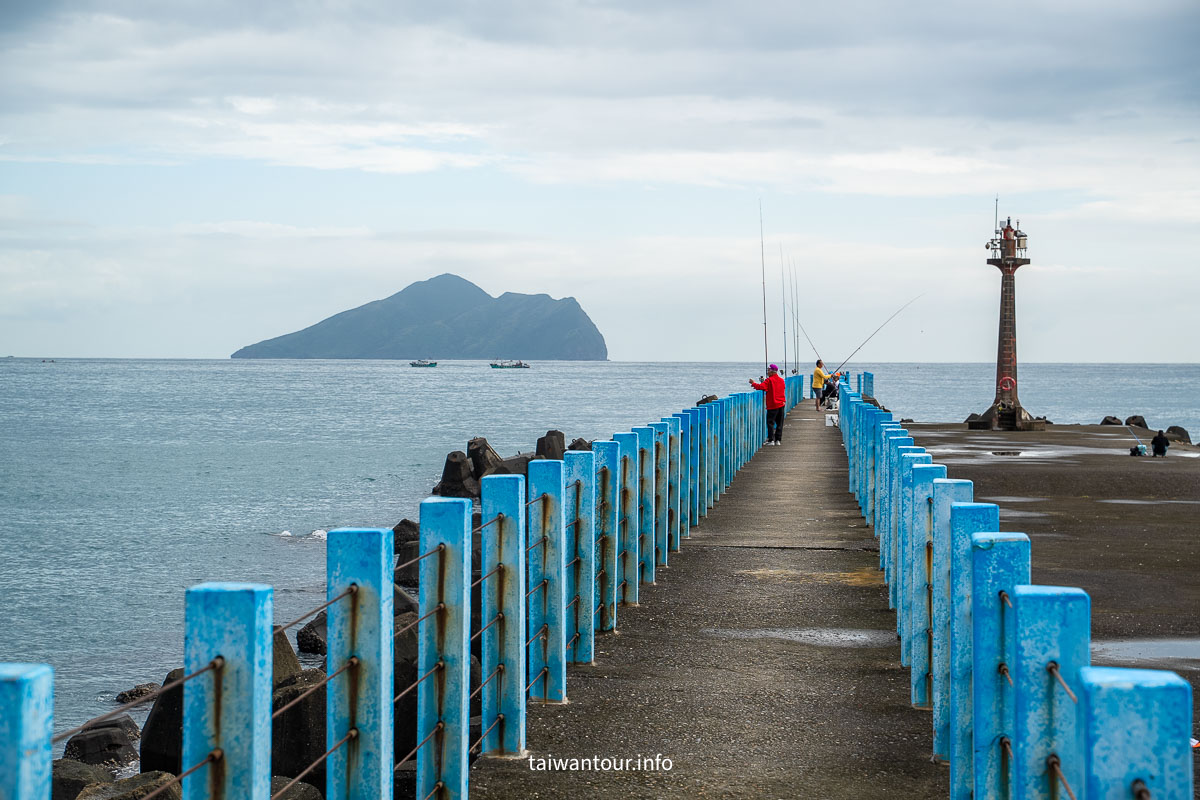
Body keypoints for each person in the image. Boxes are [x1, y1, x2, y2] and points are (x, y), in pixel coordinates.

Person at [750, 364, 787, 446]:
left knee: (770, 423)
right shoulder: (781, 380)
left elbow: (760, 387)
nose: (767, 372)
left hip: (772, 405)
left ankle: (771, 440)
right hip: (781, 404)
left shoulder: (769, 380)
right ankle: (778, 440)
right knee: (779, 423)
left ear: (772, 371)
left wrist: (753, 383)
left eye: (768, 370)